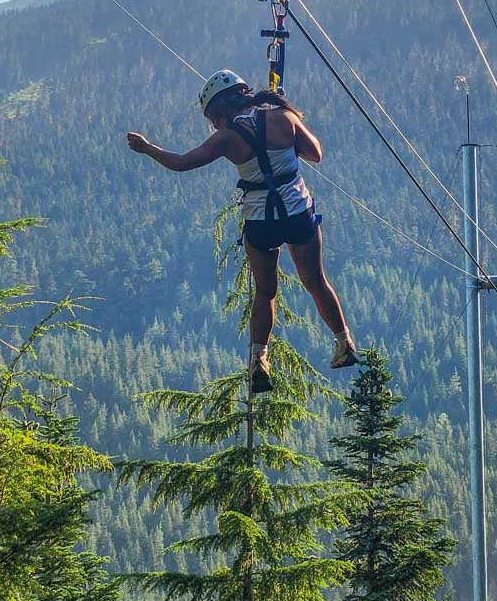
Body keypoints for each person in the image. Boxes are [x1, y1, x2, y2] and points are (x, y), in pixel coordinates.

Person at [127, 69, 358, 393]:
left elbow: (181, 163)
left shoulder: (227, 137)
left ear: (220, 111)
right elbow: (315, 154)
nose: (214, 125)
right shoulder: (283, 117)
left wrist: (147, 147)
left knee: (266, 292)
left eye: (213, 118)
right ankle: (343, 341)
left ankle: (259, 360)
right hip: (297, 212)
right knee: (316, 281)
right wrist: (286, 140)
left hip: (261, 221)